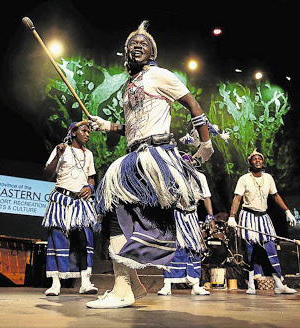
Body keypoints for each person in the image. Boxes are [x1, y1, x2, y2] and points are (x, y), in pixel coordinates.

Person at [86, 20, 214, 308]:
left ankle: (123, 289)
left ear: (152, 52)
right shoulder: (129, 86)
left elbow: (194, 106)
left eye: (144, 43)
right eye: (133, 43)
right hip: (132, 155)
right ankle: (135, 286)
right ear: (126, 52)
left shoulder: (161, 76)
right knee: (115, 217)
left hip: (154, 157)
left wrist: (205, 144)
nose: (138, 45)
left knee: (118, 214)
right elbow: (133, 128)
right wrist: (106, 125)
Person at [227, 149, 297, 295]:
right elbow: (237, 198)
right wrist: (232, 216)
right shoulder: (244, 179)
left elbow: (275, 195)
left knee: (271, 249)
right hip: (248, 217)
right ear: (250, 162)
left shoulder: (268, 178)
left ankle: (279, 284)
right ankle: (251, 284)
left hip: (264, 217)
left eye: (260, 158)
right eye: (254, 159)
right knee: (251, 251)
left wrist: (287, 211)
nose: (258, 160)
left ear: (263, 162)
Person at [42, 121, 99, 296]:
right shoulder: (61, 149)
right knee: (57, 240)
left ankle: (85, 282)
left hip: (79, 202)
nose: (87, 134)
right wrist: (58, 156)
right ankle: (55, 283)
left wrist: (90, 187)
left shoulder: (88, 154)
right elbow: (47, 174)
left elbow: (91, 177)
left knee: (83, 241)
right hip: (61, 200)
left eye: (89, 131)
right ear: (73, 133)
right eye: (84, 131)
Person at [157, 154, 214, 296]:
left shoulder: (200, 177)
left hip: (192, 215)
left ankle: (195, 284)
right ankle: (167, 284)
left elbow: (206, 196)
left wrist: (211, 216)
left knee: (195, 249)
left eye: (191, 163)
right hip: (177, 214)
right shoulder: (173, 177)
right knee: (174, 248)